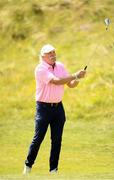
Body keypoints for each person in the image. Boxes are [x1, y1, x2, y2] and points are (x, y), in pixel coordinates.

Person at [23, 44, 86, 174]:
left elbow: (70, 84)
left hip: (58, 108)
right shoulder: (40, 69)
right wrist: (75, 75)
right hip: (43, 108)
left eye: (53, 52)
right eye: (49, 53)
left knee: (57, 140)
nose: (52, 55)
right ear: (43, 57)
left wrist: (78, 78)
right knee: (38, 138)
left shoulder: (60, 66)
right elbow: (56, 81)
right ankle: (28, 166)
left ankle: (53, 170)